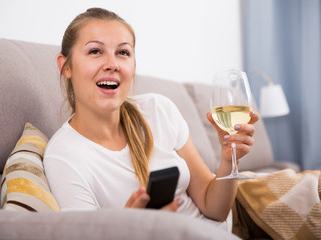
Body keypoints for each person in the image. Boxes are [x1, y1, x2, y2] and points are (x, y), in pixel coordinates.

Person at [43, 7, 259, 225]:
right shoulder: (63, 156)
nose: (112, 64)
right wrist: (131, 227)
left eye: (123, 53)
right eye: (95, 51)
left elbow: (215, 209)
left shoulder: (158, 109)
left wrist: (228, 157)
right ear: (66, 66)